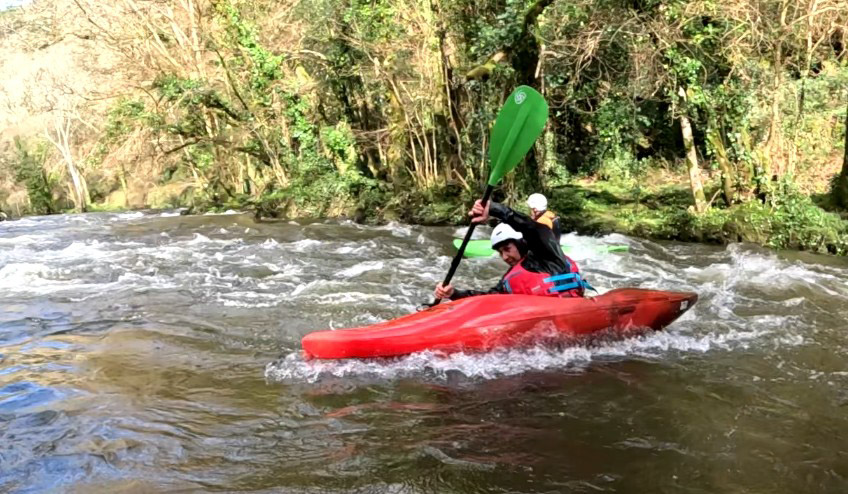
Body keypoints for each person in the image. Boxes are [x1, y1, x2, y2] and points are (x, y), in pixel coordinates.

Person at [434, 200, 592, 300]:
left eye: (507, 249)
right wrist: (454, 293)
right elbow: (489, 299)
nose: (505, 257)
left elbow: (531, 228)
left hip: (573, 309)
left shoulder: (548, 255)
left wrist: (494, 208)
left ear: (521, 243)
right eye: (500, 252)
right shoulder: (509, 280)